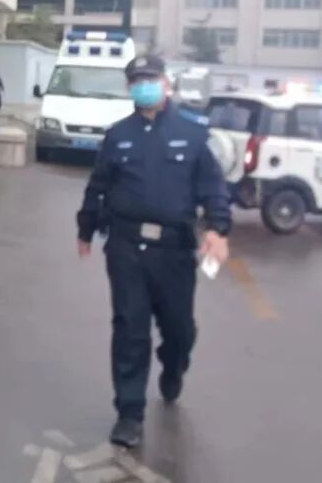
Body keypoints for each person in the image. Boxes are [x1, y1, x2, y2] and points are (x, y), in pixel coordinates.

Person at [76, 54, 231, 450]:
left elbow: (213, 187)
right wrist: (85, 227)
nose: (143, 86)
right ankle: (129, 413)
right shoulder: (117, 136)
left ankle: (173, 366)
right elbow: (98, 186)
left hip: (174, 250)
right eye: (136, 81)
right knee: (130, 327)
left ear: (166, 83)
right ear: (130, 88)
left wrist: (218, 229)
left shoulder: (193, 134)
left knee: (180, 329)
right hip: (126, 247)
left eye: (150, 79)